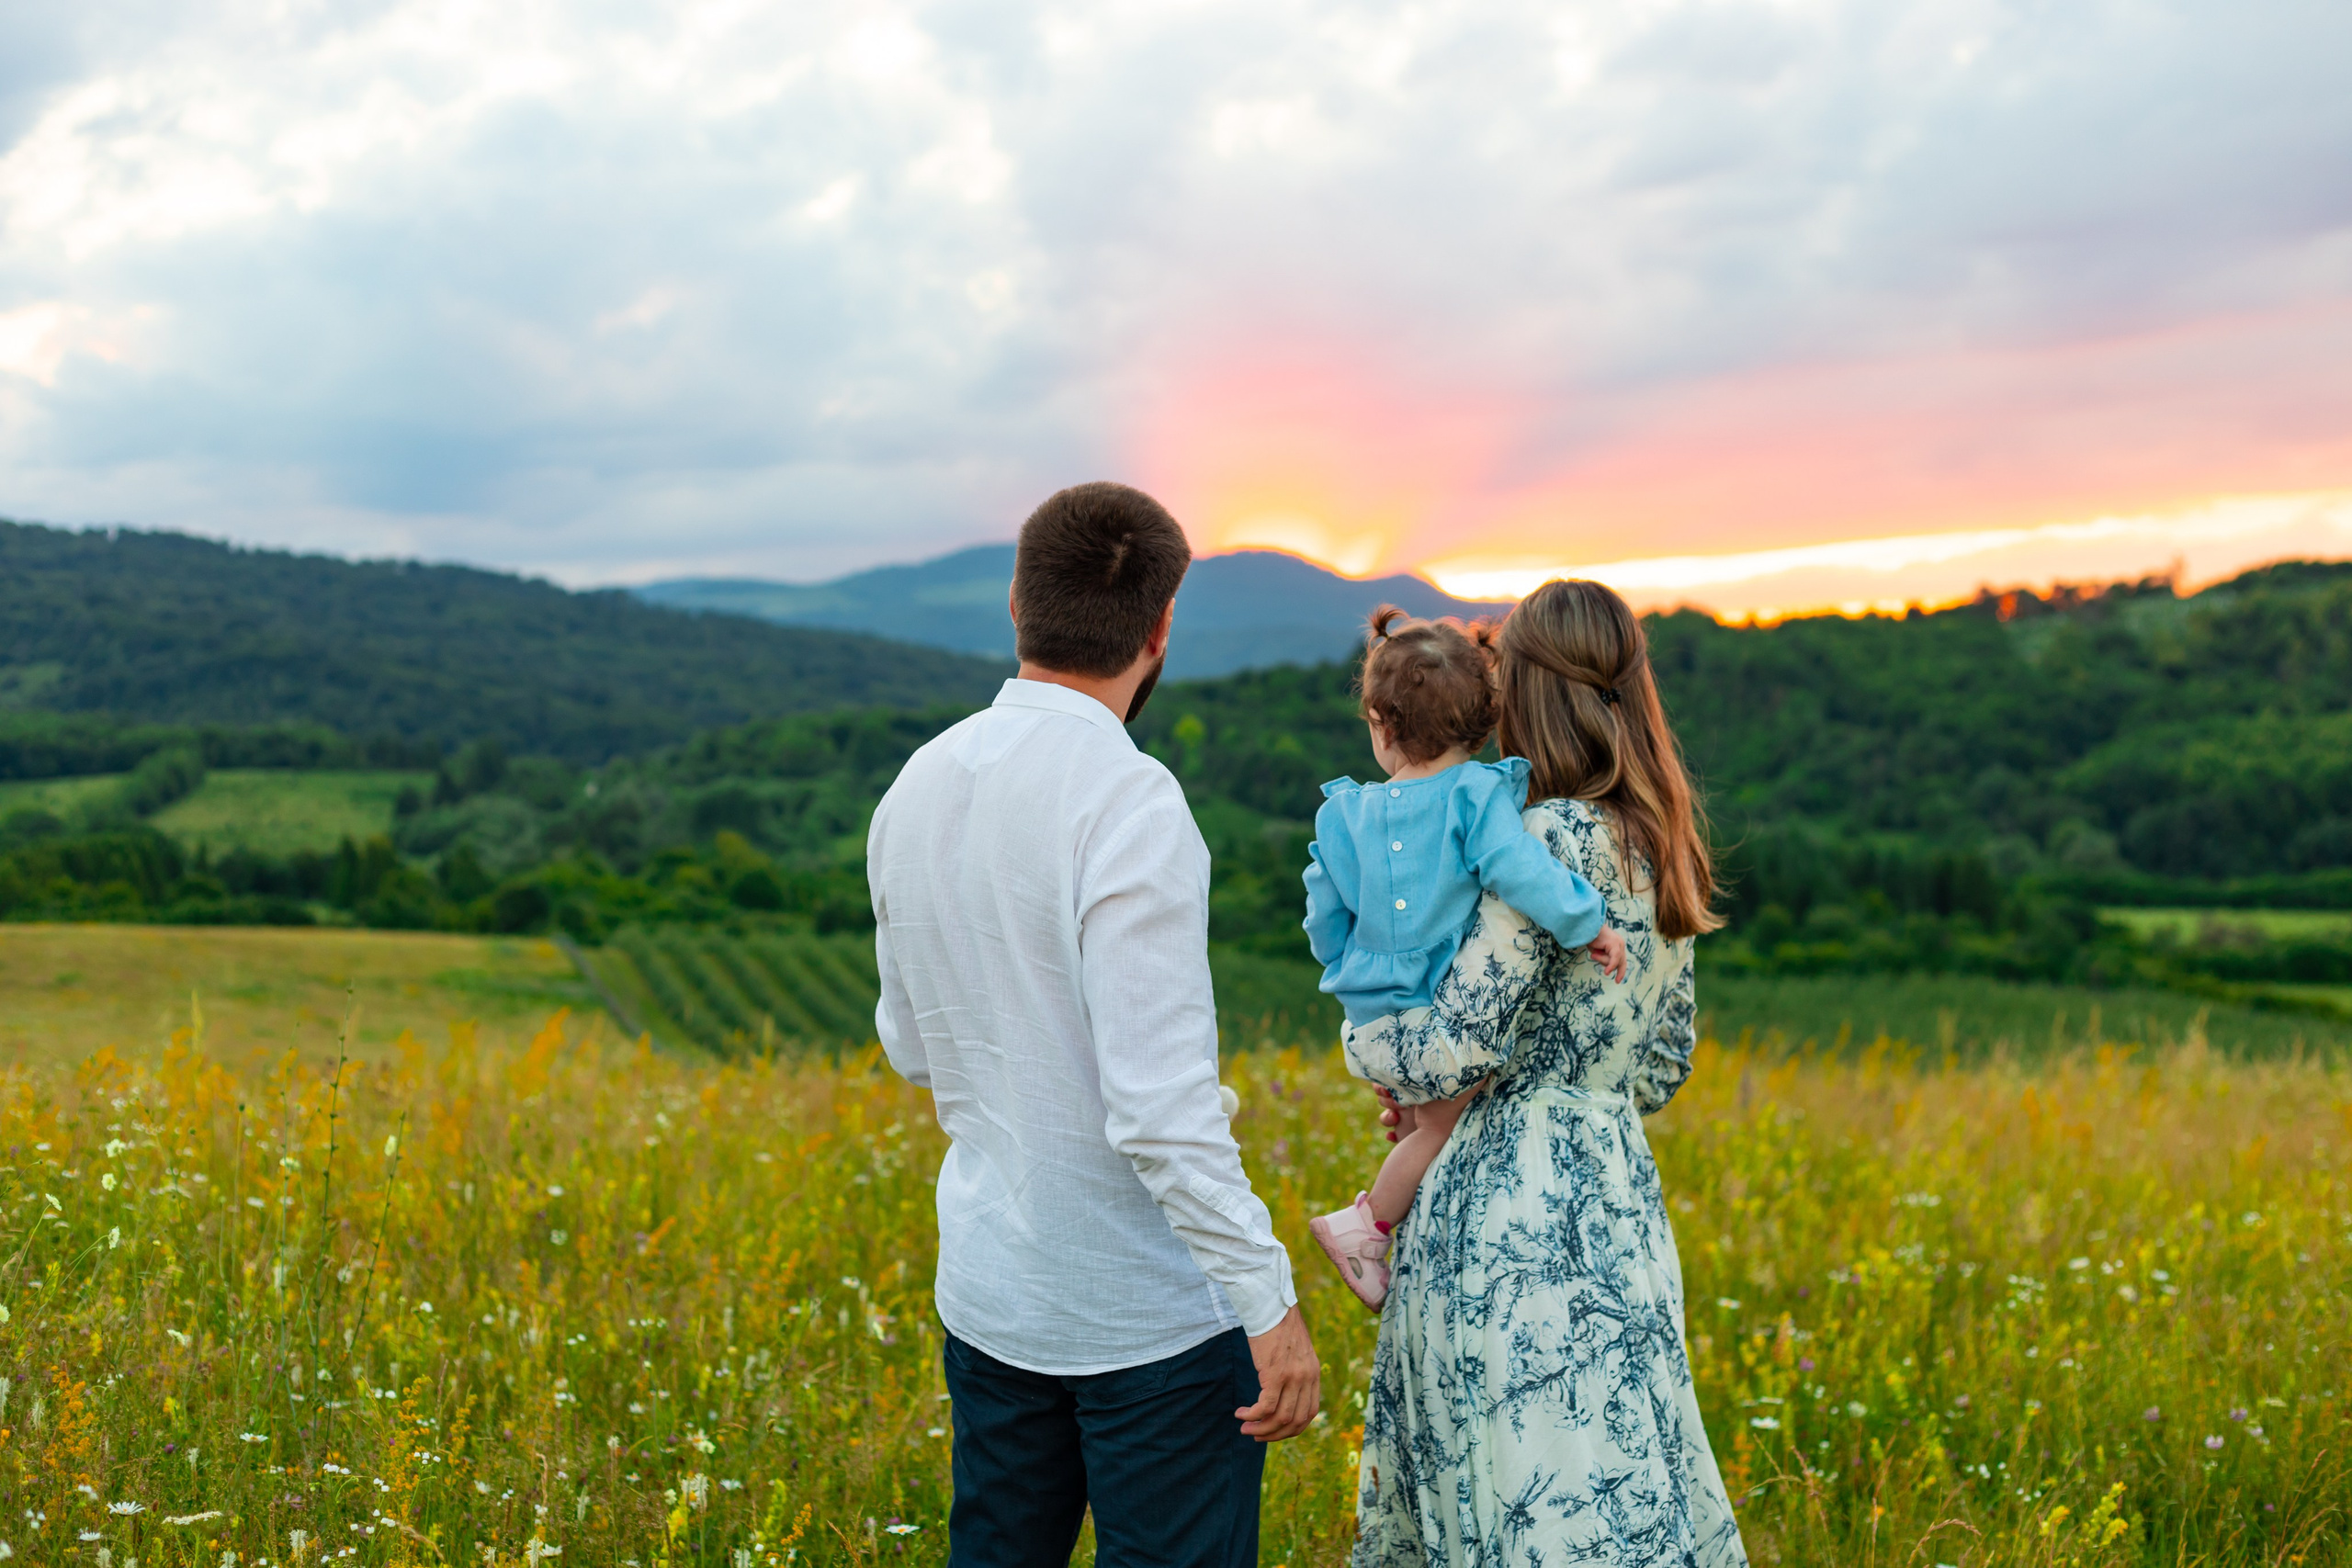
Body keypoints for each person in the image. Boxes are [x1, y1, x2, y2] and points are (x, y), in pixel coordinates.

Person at [866, 481, 1320, 1568]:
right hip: (1146, 1318)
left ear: (1018, 607)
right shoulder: (1131, 803)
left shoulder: (917, 784)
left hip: (991, 1290)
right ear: (1160, 632)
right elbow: (1159, 1114)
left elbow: (908, 1048)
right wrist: (1269, 1306)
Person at [1345, 578, 1749, 1567]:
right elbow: (1663, 1065)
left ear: (1522, 691)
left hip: (1504, 1213)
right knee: (1614, 1496)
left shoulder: (1539, 841)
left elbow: (1459, 1044)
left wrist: (1375, 1055)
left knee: (1509, 1500)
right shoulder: (1662, 846)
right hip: (1616, 1201)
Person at [1301, 608, 1626, 1311]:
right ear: (1480, 725)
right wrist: (1588, 921)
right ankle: (1365, 1226)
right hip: (1437, 1018)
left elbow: (1323, 920)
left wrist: (1351, 968)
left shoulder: (1343, 813)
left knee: (1419, 1123)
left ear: (1382, 723)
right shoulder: (1477, 793)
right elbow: (1519, 871)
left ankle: (1406, 1241)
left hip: (1366, 1023)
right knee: (1443, 1124)